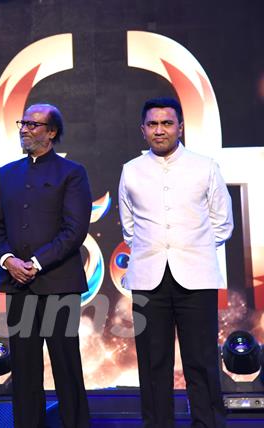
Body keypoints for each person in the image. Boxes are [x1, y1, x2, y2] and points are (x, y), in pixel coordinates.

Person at [119, 97, 233, 428]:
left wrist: (189, 248)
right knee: (153, 364)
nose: (160, 130)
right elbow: (130, 227)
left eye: (167, 123)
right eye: (152, 124)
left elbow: (222, 222)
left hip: (196, 278)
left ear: (180, 127)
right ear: (143, 130)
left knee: (202, 362)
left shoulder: (205, 166)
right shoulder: (131, 170)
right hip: (147, 280)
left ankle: (208, 423)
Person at [0, 104, 91, 427]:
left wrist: (34, 263)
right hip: (18, 285)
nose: (25, 129)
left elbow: (74, 230)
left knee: (66, 367)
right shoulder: (6, 174)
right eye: (23, 123)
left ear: (52, 132)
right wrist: (8, 260)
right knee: (25, 371)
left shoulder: (72, 173)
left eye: (34, 124)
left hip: (58, 284)